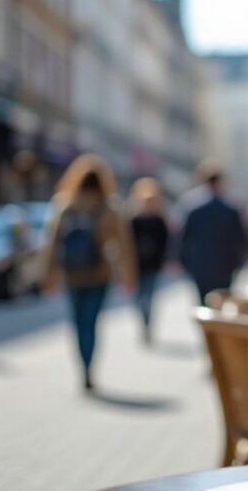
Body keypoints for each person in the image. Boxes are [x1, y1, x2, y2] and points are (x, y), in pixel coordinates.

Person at [41, 154, 136, 391]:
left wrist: (47, 276)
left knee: (77, 323)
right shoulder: (110, 207)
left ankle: (83, 365)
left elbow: (51, 244)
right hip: (99, 275)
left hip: (71, 275)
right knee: (91, 323)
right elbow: (124, 246)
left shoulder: (64, 205)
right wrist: (128, 276)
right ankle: (88, 368)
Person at [178, 161, 247, 305]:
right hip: (224, 266)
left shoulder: (193, 209)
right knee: (222, 304)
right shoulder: (230, 209)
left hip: (200, 265)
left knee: (203, 305)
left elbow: (183, 239)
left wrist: (186, 263)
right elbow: (241, 240)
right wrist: (237, 264)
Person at [127, 177, 169, 344]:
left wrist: (163, 260)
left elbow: (165, 243)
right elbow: (127, 243)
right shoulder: (133, 219)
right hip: (136, 265)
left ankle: (147, 325)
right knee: (138, 298)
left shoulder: (159, 220)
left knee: (149, 297)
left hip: (152, 265)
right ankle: (143, 323)